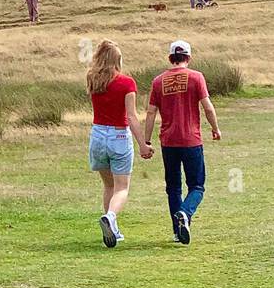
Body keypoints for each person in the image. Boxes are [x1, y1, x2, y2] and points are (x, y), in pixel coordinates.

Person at [144, 39, 221, 244]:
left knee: (173, 188)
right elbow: (207, 107)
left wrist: (146, 139)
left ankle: (178, 231)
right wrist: (214, 128)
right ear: (188, 57)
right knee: (197, 186)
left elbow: (151, 112)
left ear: (171, 58)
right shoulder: (196, 77)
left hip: (168, 141)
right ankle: (185, 213)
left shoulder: (158, 81)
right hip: (191, 140)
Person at [85, 40, 153, 248]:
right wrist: (143, 144)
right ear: (117, 60)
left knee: (108, 185)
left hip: (98, 134)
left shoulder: (92, 79)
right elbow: (131, 117)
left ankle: (112, 228)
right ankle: (111, 217)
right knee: (122, 188)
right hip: (118, 136)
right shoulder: (126, 83)